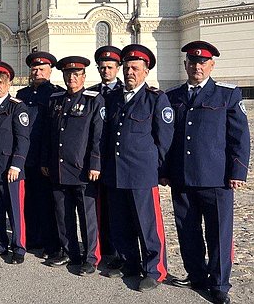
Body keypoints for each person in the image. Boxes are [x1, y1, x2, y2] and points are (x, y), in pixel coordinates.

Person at [163, 41, 250, 304]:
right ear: (185, 64)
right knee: (186, 230)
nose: (197, 66)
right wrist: (165, 170)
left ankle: (220, 283)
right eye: (192, 61)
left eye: (202, 62)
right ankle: (196, 274)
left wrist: (238, 172)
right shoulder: (173, 96)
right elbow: (168, 138)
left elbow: (239, 137)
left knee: (219, 233)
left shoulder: (227, 94)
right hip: (182, 177)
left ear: (212, 65)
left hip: (216, 178)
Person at [102, 44, 174, 292]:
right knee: (120, 222)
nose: (129, 72)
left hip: (142, 173)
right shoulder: (114, 99)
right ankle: (129, 262)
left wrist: (157, 169)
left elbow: (164, 140)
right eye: (127, 67)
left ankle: (155, 269)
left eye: (135, 68)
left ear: (146, 72)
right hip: (117, 172)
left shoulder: (155, 98)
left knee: (148, 225)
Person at [42, 56, 104, 275]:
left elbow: (97, 136)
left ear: (84, 77)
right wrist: (45, 160)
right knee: (63, 212)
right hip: (58, 167)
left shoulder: (93, 100)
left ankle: (90, 257)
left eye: (76, 74)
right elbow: (49, 135)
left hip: (82, 169)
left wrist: (95, 163)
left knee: (87, 216)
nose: (71, 78)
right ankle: (70, 252)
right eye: (68, 74)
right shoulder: (56, 100)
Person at [0, 61, 30, 265]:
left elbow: (23, 139)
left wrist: (16, 165)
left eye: (0, 82)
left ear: (8, 84)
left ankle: (19, 247)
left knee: (15, 211)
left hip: (11, 170)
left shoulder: (17, 107)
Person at [15, 52, 63, 256]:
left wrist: (46, 158)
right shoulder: (22, 95)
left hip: (45, 157)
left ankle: (50, 243)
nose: (37, 72)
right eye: (34, 69)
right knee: (29, 201)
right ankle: (32, 239)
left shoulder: (55, 94)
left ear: (50, 70)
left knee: (47, 202)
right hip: (26, 156)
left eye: (42, 69)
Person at [87, 45, 123, 264]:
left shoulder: (123, 92)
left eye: (109, 67)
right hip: (95, 159)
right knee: (98, 206)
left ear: (117, 68)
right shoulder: (91, 93)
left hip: (117, 159)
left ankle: (119, 252)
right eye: (102, 67)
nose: (105, 71)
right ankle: (102, 247)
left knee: (117, 209)